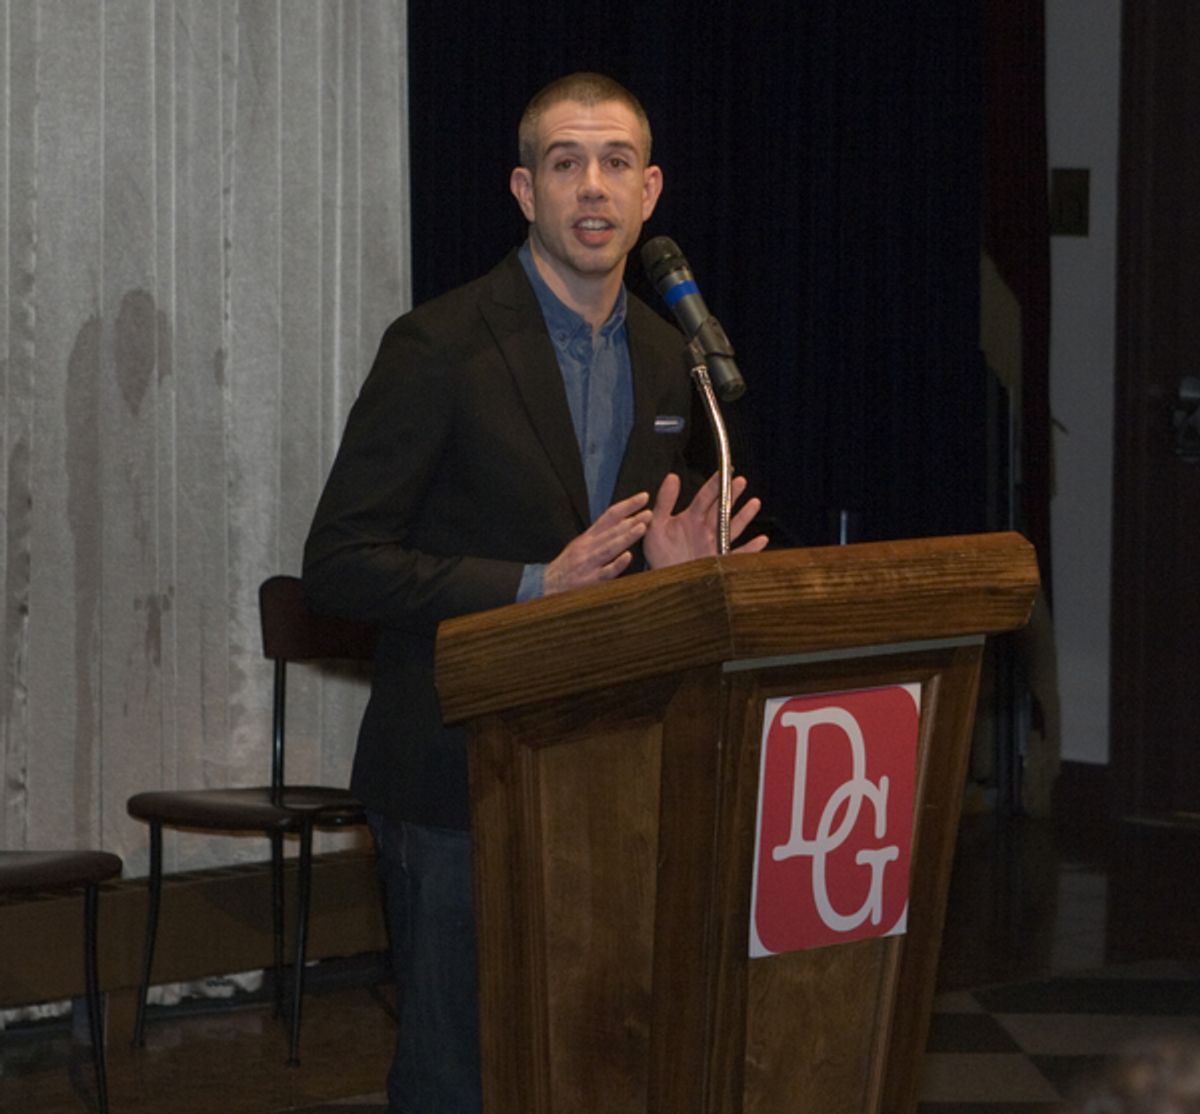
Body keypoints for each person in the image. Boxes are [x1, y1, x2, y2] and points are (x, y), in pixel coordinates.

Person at [303, 71, 766, 1114]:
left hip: (611, 773)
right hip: (454, 774)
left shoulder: (673, 359)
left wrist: (671, 580)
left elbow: (632, 559)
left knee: (591, 1061)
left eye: (615, 164)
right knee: (457, 1075)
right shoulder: (439, 346)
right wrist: (532, 585)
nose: (592, 186)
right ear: (525, 191)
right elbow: (338, 559)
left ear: (650, 192)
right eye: (566, 164)